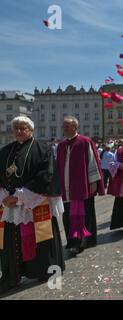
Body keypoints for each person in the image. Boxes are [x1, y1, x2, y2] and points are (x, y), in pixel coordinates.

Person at [0, 116, 65, 293]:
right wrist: (4, 196)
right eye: (16, 129)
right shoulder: (5, 151)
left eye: (23, 128)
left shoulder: (42, 149)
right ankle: (14, 274)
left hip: (34, 202)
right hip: (11, 205)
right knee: (13, 241)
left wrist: (20, 197)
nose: (19, 131)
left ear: (31, 130)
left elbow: (46, 176)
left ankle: (43, 271)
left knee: (40, 239)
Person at [56, 116, 105, 255]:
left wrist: (93, 181)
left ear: (75, 127)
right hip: (66, 188)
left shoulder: (85, 141)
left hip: (83, 185)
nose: (64, 129)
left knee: (84, 214)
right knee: (68, 216)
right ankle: (72, 241)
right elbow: (57, 166)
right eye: (63, 126)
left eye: (67, 126)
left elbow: (92, 162)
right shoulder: (61, 145)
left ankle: (83, 242)